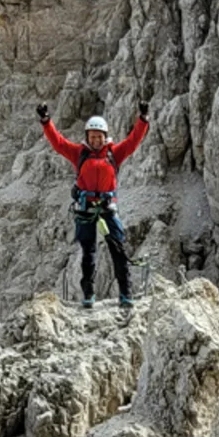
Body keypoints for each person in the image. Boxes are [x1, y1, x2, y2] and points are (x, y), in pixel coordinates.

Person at [38, 102, 149, 308]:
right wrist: (46, 121)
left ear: (105, 137)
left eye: (99, 137)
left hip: (107, 207)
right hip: (85, 207)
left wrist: (142, 120)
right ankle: (88, 294)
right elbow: (59, 143)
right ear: (87, 137)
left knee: (118, 249)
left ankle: (126, 293)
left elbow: (133, 141)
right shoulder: (79, 153)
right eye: (92, 137)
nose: (96, 140)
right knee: (88, 253)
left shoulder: (113, 154)